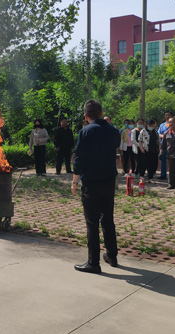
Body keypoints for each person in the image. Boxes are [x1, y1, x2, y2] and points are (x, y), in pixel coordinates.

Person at [72, 100, 120, 274]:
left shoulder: (85, 132)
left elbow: (79, 159)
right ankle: (112, 255)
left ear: (86, 116)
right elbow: (115, 146)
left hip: (91, 182)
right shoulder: (113, 131)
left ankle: (94, 262)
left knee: (92, 223)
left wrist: (74, 181)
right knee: (108, 219)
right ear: (101, 113)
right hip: (108, 181)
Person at [160, 118, 175, 189]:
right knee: (171, 171)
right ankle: (172, 184)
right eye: (169, 123)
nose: (171, 124)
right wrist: (161, 153)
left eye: (172, 122)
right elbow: (163, 145)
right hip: (170, 155)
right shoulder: (166, 133)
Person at [157, 111, 172, 180]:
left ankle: (173, 176)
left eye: (169, 115)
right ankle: (163, 174)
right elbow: (158, 133)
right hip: (163, 145)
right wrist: (163, 136)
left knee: (172, 161)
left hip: (171, 145)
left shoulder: (173, 125)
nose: (167, 116)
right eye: (166, 115)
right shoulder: (162, 125)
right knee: (163, 159)